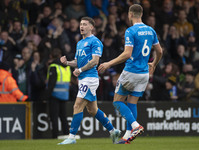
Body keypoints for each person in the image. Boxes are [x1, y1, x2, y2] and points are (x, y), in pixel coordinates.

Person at [98, 4, 163, 144]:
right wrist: (154, 64)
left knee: (117, 101)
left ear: (130, 14)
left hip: (131, 71)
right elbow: (160, 51)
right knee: (132, 102)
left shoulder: (130, 31)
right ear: (141, 14)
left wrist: (108, 63)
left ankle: (135, 126)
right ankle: (128, 135)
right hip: (144, 74)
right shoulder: (151, 30)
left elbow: (127, 54)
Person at [58, 17, 121, 145]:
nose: (82, 26)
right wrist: (67, 63)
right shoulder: (79, 43)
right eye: (81, 24)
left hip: (90, 79)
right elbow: (77, 62)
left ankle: (72, 137)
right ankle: (113, 131)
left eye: (85, 24)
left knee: (77, 105)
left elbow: (95, 61)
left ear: (91, 27)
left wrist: (80, 70)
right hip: (82, 79)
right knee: (92, 110)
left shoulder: (95, 42)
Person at [46, 48, 71, 138]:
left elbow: (51, 83)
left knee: (54, 117)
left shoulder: (53, 66)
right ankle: (66, 134)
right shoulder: (67, 67)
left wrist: (46, 96)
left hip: (55, 95)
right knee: (63, 116)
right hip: (65, 95)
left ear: (51, 56)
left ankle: (55, 135)